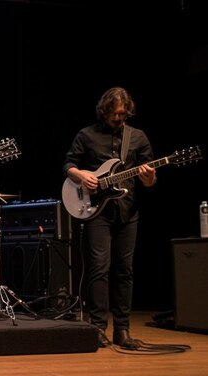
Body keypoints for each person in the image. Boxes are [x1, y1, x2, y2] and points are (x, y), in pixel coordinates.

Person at [63, 87, 156, 349]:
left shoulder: (137, 137)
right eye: (115, 114)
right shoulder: (87, 135)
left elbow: (149, 179)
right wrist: (81, 175)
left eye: (123, 114)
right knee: (98, 269)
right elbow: (68, 165)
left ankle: (123, 330)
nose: (119, 119)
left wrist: (149, 177)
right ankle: (98, 327)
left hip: (128, 211)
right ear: (104, 111)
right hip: (96, 211)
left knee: (125, 270)